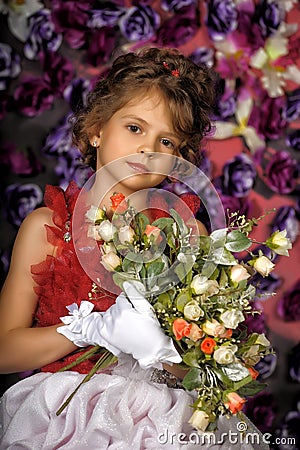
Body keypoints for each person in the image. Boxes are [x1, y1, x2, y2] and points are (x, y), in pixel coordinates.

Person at [0, 47, 267, 449]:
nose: (148, 150)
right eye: (135, 128)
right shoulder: (49, 229)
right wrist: (90, 330)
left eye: (167, 141)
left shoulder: (185, 233)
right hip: (68, 415)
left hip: (164, 416)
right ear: (97, 130)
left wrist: (167, 350)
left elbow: (209, 365)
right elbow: (4, 350)